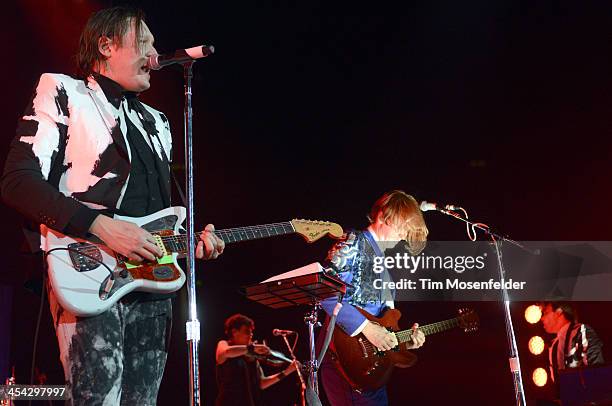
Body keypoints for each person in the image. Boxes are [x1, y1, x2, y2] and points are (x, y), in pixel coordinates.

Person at [1, 6, 224, 405]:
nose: (155, 53)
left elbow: (160, 215)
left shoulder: (157, 121)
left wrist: (189, 242)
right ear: (106, 46)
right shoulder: (65, 92)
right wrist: (103, 227)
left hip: (153, 282)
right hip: (88, 269)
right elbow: (18, 182)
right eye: (144, 43)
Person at [319, 190, 428, 406]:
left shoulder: (384, 263)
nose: (404, 236)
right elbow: (323, 291)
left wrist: (403, 341)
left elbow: (382, 323)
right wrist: (367, 328)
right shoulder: (353, 242)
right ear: (383, 216)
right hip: (345, 361)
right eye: (401, 228)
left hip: (372, 371)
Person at [215, 314, 299, 406]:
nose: (251, 335)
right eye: (247, 331)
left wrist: (287, 371)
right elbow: (226, 352)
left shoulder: (251, 357)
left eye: (251, 332)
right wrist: (252, 348)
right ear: (234, 332)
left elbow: (262, 383)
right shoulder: (224, 344)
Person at [540, 302, 604, 385]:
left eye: (546, 313)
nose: (542, 318)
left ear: (559, 312)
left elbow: (598, 370)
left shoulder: (582, 332)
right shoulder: (555, 343)